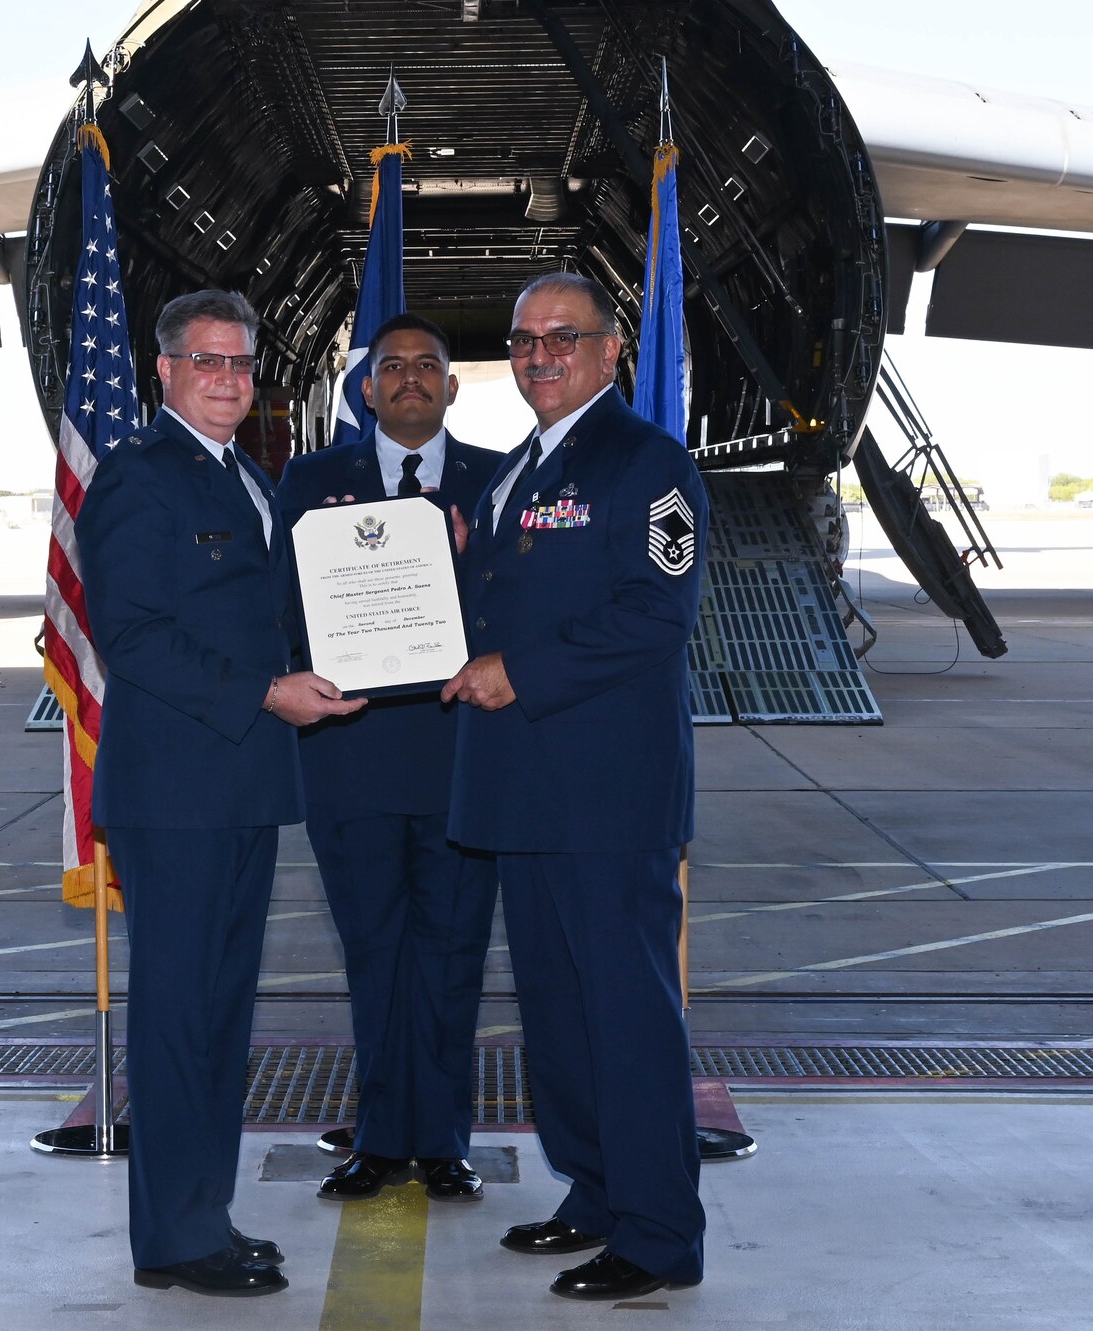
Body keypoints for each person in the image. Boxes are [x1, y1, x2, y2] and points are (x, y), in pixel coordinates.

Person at [76, 289, 364, 1297]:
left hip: (237, 786)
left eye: (242, 364)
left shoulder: (245, 475)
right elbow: (137, 636)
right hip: (178, 794)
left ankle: (203, 1214)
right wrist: (264, 691)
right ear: (163, 370)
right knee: (176, 1019)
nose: (229, 380)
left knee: (217, 1019)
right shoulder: (137, 479)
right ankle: (170, 1237)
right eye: (207, 362)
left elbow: (265, 614)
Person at [442, 272, 708, 1302]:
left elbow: (656, 613)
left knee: (625, 1014)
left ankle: (656, 1233)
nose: (537, 354)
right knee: (556, 1012)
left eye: (561, 336)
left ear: (610, 352)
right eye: (520, 340)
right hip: (523, 791)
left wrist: (521, 671)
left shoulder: (651, 466)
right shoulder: (515, 471)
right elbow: (503, 599)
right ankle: (595, 1192)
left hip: (606, 794)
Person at [275, 313, 502, 1204]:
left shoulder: (499, 482)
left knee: (452, 957)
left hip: (461, 761)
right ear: (363, 389)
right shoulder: (310, 481)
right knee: (373, 957)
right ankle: (378, 1136)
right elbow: (279, 610)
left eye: (428, 366)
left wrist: (470, 563)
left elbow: (518, 609)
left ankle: (443, 1140)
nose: (410, 377)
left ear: (452, 386)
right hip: (351, 760)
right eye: (391, 365)